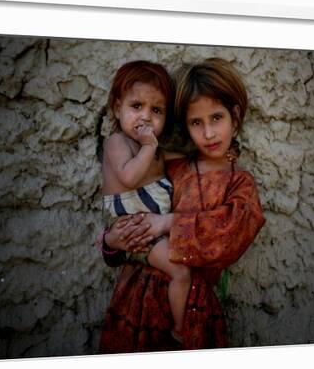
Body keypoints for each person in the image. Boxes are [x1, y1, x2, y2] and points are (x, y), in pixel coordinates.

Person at [99, 58, 266, 353]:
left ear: (235, 117)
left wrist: (167, 222)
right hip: (135, 304)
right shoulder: (169, 168)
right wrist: (112, 241)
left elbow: (228, 236)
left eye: (217, 117)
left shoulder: (239, 184)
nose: (209, 133)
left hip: (191, 310)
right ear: (184, 125)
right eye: (196, 123)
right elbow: (124, 234)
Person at [100, 60, 190, 342]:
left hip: (150, 232)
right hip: (136, 232)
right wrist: (150, 146)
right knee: (181, 272)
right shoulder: (118, 143)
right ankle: (180, 328)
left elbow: (189, 158)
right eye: (136, 106)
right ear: (117, 108)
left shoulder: (157, 151)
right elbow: (127, 176)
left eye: (157, 110)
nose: (146, 117)